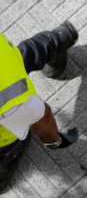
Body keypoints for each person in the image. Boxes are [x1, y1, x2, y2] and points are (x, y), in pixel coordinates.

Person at [0, 22, 80, 190]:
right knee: (16, 61)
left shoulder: (9, 100)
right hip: (5, 64)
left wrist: (54, 141)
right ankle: (56, 40)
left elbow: (41, 118)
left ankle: (12, 150)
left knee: (14, 71)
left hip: (10, 108)